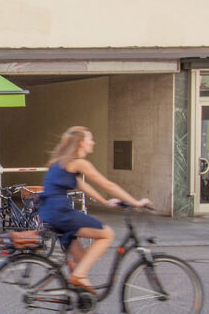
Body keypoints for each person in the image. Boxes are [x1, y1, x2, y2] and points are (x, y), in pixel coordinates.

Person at [39, 126, 150, 304]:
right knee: (107, 234)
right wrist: (136, 202)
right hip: (60, 212)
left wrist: (105, 202)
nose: (93, 142)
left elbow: (84, 186)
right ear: (82, 143)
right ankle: (79, 276)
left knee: (82, 259)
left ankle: (79, 304)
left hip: (50, 212)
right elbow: (108, 185)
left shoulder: (61, 162)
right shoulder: (78, 162)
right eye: (91, 139)